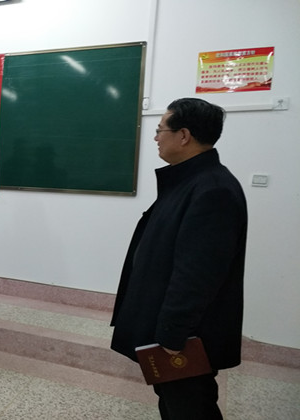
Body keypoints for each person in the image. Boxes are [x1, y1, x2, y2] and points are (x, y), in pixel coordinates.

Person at [110, 98, 248, 419]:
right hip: (168, 326)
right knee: (174, 402)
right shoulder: (189, 181)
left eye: (160, 130)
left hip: (185, 337)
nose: (156, 137)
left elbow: (197, 274)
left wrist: (172, 335)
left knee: (191, 406)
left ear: (183, 135)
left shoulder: (212, 189)